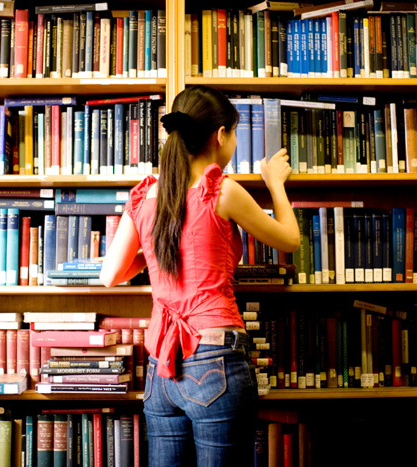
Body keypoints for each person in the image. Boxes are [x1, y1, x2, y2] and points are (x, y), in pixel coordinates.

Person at [100, 85, 300, 466]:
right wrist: (275, 184)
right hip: (215, 358)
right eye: (234, 133)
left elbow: (110, 274)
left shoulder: (146, 196)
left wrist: (154, 252)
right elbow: (290, 239)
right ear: (220, 135)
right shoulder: (220, 190)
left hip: (162, 365)